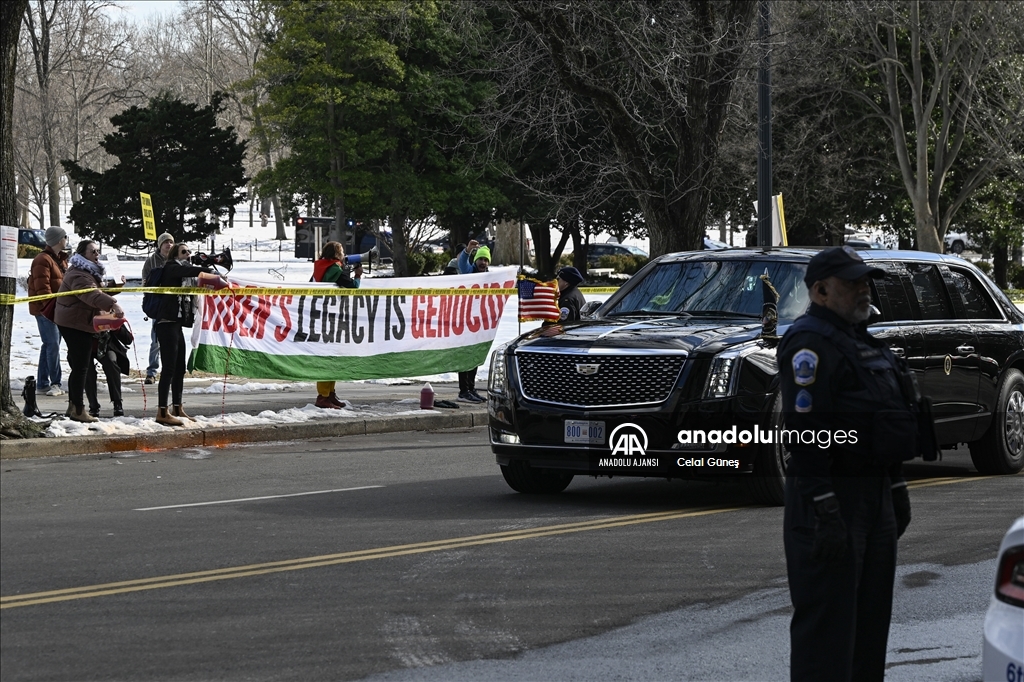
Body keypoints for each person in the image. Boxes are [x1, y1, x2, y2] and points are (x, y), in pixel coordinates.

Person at [778, 246, 923, 682]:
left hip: (873, 496)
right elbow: (806, 431)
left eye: (866, 280)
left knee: (868, 629)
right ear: (821, 291)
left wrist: (896, 486)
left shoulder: (862, 341)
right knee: (828, 634)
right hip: (831, 500)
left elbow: (884, 422)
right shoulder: (810, 343)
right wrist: (824, 504)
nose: (864, 288)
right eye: (852, 282)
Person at [53, 240, 124, 423]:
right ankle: (78, 409)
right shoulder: (78, 274)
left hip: (80, 321)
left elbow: (96, 291)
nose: (97, 254)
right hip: (74, 323)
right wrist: (113, 304)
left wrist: (115, 289)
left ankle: (73, 406)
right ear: (82, 254)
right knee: (82, 367)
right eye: (93, 251)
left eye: (98, 251)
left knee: (79, 366)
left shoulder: (88, 271)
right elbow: (91, 295)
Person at [154, 243, 223, 426]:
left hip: (176, 325)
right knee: (168, 368)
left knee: (179, 369)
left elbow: (197, 279)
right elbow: (191, 271)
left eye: (189, 251)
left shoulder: (184, 271)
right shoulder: (171, 268)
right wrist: (208, 268)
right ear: (175, 254)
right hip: (166, 323)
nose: (188, 254)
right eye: (184, 251)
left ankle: (177, 407)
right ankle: (162, 411)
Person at [311, 241, 362, 409]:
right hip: (332, 317)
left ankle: (330, 394)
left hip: (322, 315)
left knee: (331, 357)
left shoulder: (320, 268)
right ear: (336, 254)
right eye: (341, 252)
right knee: (329, 357)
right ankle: (323, 396)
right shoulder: (334, 270)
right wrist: (358, 276)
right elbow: (352, 286)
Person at [27, 226, 69, 396]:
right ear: (59, 240)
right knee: (52, 345)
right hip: (46, 310)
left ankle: (43, 383)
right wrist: (51, 308)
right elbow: (42, 288)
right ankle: (55, 383)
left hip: (56, 308)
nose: (66, 240)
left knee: (49, 345)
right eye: (65, 237)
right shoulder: (42, 259)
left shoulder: (60, 259)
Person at [455, 240, 491, 402]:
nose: (483, 263)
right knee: (464, 357)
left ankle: (471, 388)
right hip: (465, 322)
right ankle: (464, 391)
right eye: (480, 259)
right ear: (475, 261)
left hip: (480, 323)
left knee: (475, 356)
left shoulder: (491, 277)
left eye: (485, 260)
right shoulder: (469, 272)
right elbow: (462, 263)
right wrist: (468, 250)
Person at [142, 232, 175, 385]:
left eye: (171, 242)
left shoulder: (176, 261)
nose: (169, 245)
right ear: (160, 245)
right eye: (166, 242)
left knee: (173, 340)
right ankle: (151, 372)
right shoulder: (151, 261)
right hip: (158, 305)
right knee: (156, 340)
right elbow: (145, 282)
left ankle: (171, 370)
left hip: (174, 305)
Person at [87, 326, 132, 418]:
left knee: (111, 363)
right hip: (86, 346)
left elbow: (128, 339)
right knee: (87, 370)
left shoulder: (110, 313)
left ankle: (117, 402)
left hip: (107, 346)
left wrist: (116, 327)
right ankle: (93, 405)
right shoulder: (82, 313)